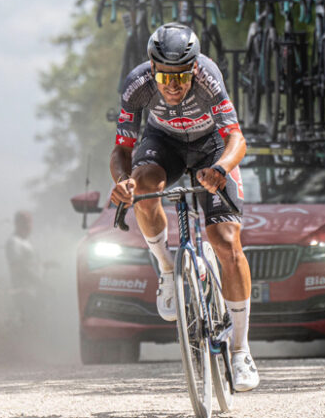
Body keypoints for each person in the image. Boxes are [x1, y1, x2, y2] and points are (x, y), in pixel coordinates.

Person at [109, 23, 259, 391]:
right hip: (164, 143)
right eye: (163, 76)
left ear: (193, 69)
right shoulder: (136, 85)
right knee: (144, 186)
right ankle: (165, 270)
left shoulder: (209, 78)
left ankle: (240, 351)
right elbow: (122, 149)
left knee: (226, 242)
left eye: (180, 76)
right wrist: (121, 181)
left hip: (211, 146)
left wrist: (221, 169)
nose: (172, 85)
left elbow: (236, 137)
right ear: (151, 67)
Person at [5, 211, 43, 325]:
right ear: (17, 224)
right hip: (23, 291)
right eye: (24, 222)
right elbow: (17, 266)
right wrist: (37, 280)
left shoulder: (26, 242)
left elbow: (30, 264)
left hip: (34, 291)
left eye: (29, 222)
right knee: (28, 324)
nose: (28, 226)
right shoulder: (14, 242)